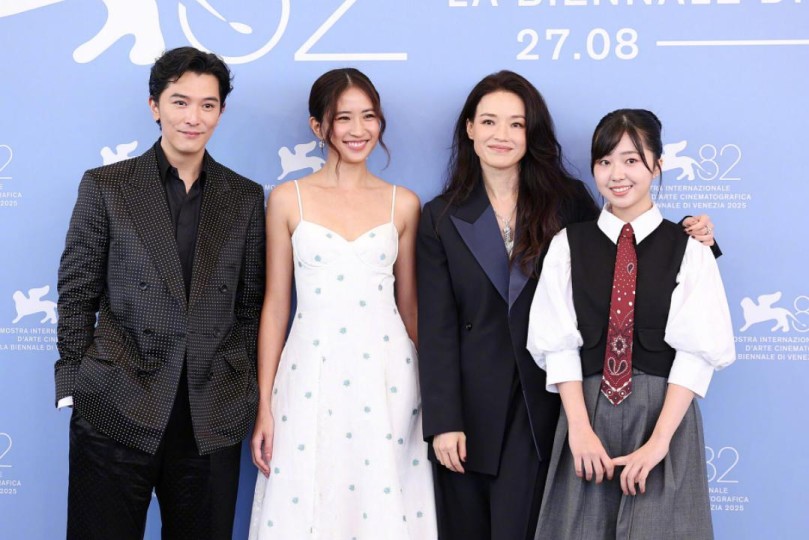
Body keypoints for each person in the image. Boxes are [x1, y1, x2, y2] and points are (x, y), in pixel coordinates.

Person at [417, 72, 718, 540]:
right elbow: (436, 326)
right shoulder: (441, 216)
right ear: (470, 128)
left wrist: (696, 242)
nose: (502, 134)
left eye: (516, 123)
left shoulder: (567, 204)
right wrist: (443, 420)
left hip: (547, 405)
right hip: (477, 406)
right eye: (489, 121)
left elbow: (624, 251)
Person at [55, 47, 265, 539]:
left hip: (210, 412)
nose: (194, 117)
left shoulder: (245, 197)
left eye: (208, 105)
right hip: (116, 402)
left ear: (221, 112)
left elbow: (250, 305)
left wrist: (240, 387)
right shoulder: (107, 186)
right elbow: (76, 292)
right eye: (180, 102)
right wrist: (75, 383)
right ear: (155, 106)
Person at [527, 109, 735, 539]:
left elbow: (697, 353)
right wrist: (579, 430)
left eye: (631, 160)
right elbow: (557, 343)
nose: (617, 174)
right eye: (605, 161)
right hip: (586, 410)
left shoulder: (691, 248)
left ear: (657, 166)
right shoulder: (568, 244)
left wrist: (659, 443)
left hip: (663, 414)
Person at [248, 68, 437, 539]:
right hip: (309, 371)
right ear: (319, 126)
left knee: (382, 498)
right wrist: (264, 405)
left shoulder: (404, 204)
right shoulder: (288, 199)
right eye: (343, 117)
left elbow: (410, 309)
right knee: (307, 497)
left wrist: (437, 396)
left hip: (388, 375)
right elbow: (276, 306)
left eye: (369, 116)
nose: (359, 130)